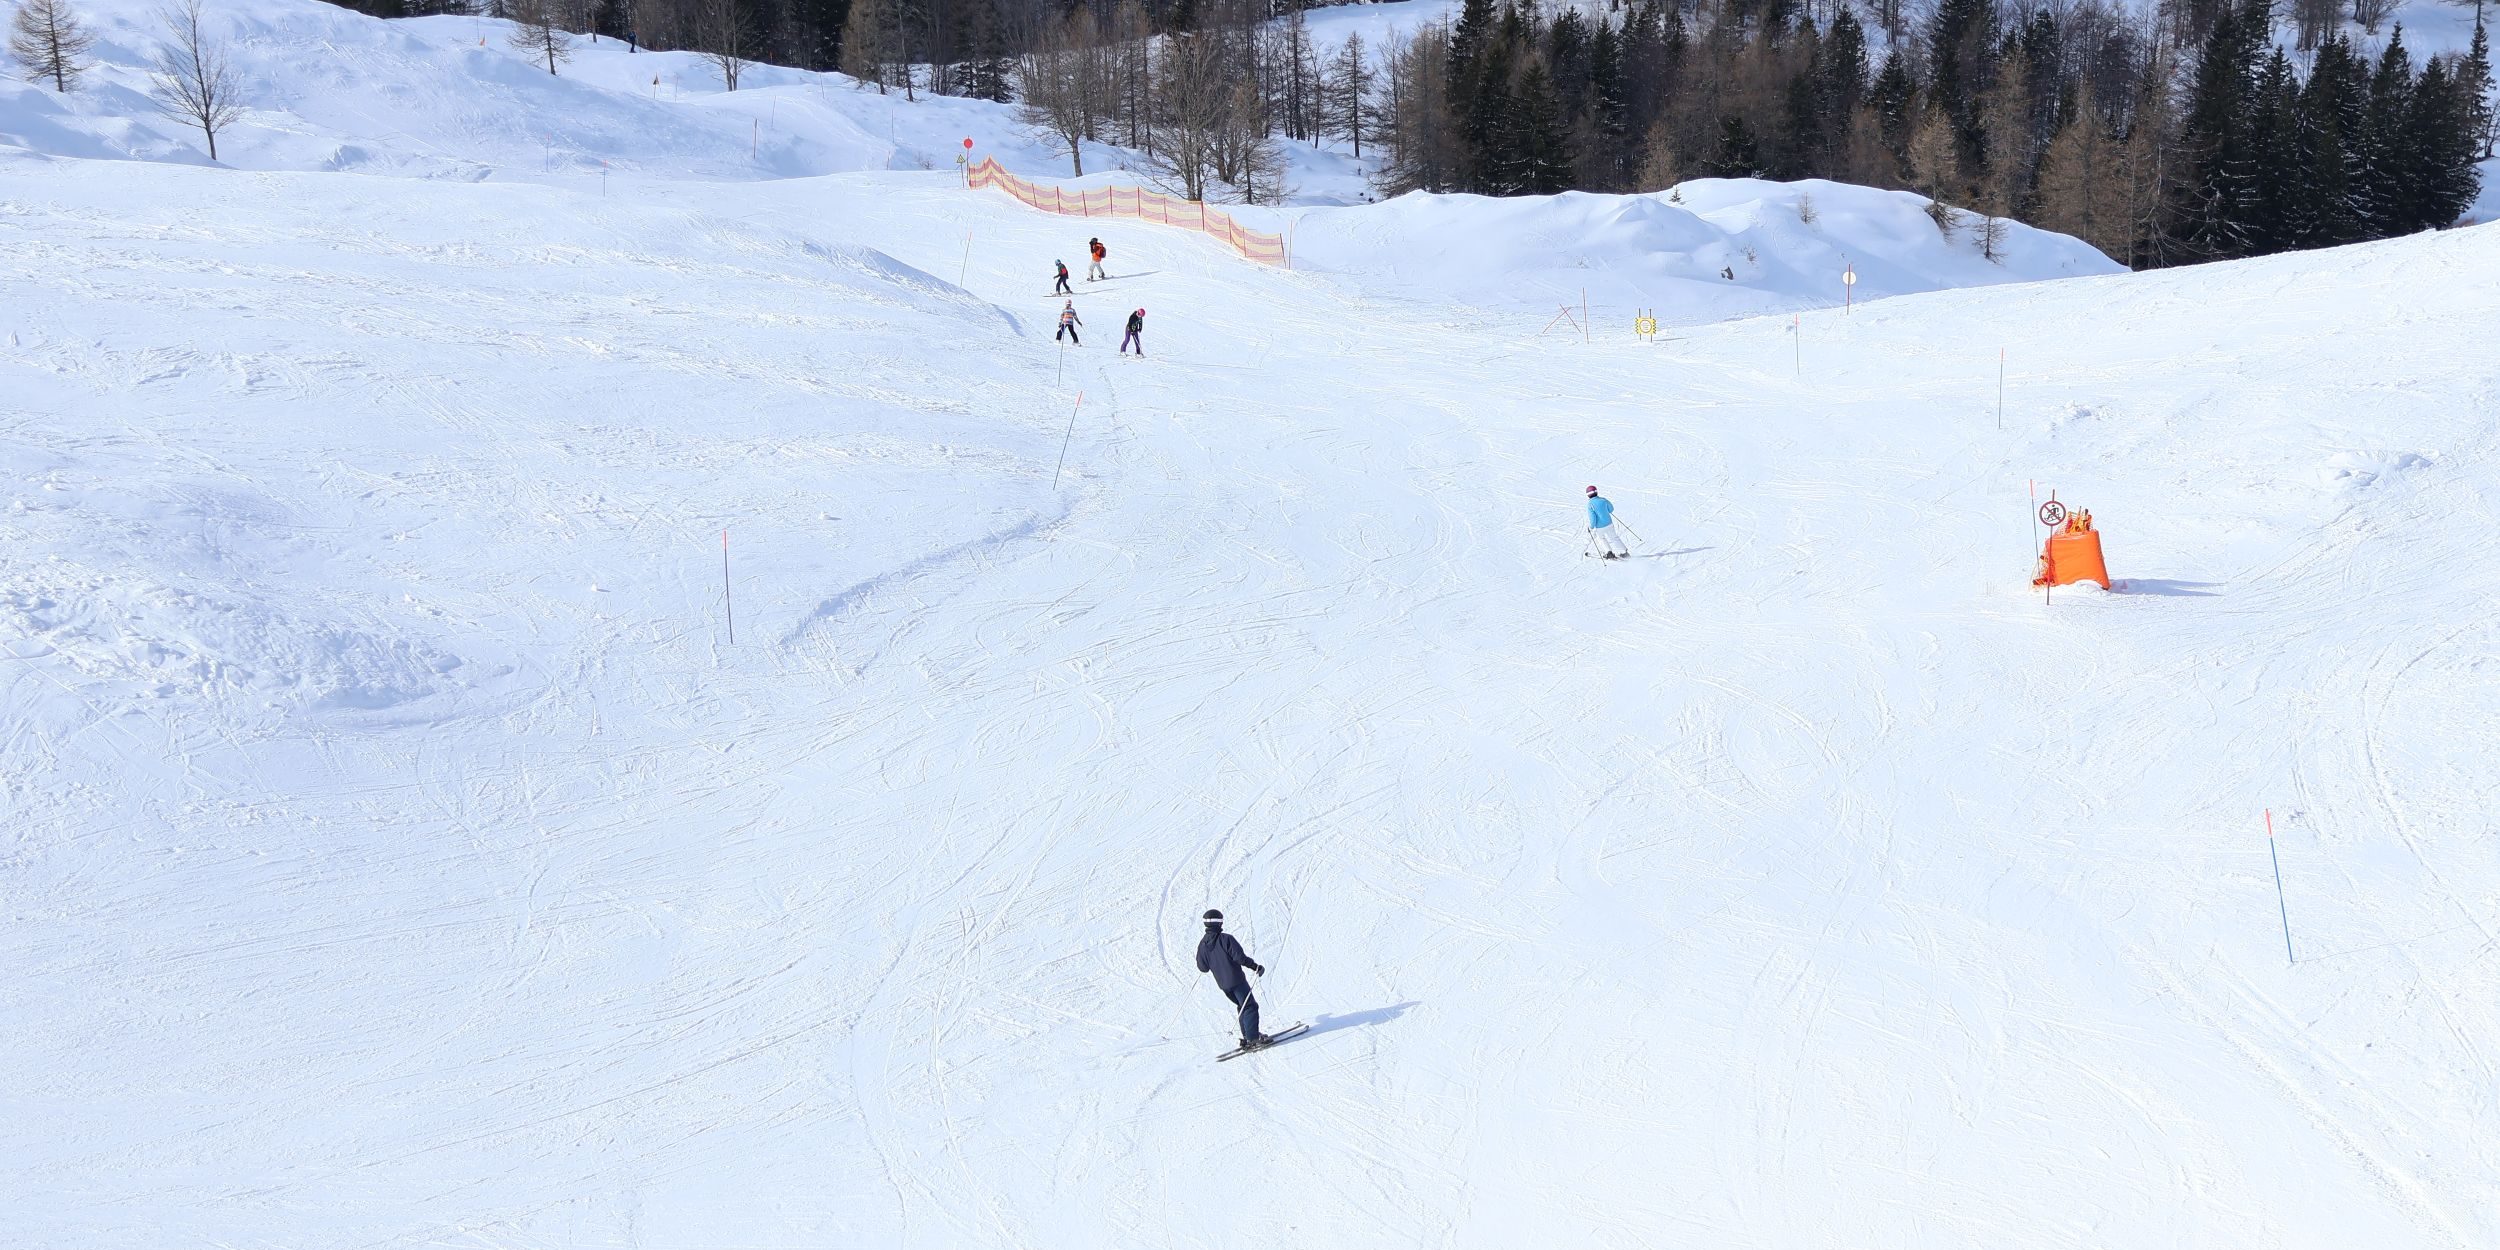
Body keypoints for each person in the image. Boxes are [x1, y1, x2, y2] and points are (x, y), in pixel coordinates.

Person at [1197, 909, 1270, 1048]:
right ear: (1219, 922)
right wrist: (1256, 967)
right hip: (1237, 981)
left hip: (1223, 985)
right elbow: (1240, 958)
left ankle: (1248, 1036)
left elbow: (1203, 968)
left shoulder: (1202, 945)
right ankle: (1253, 1038)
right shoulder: (1226, 939)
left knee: (1242, 1006)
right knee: (1249, 1006)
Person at [1587, 485, 1629, 559]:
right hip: (1609, 524)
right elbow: (1611, 509)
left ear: (1588, 495)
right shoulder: (1603, 500)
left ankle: (1609, 553)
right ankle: (1624, 552)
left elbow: (1592, 518)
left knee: (1601, 538)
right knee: (1614, 537)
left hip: (1600, 527)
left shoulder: (1590, 504)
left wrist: (1591, 527)